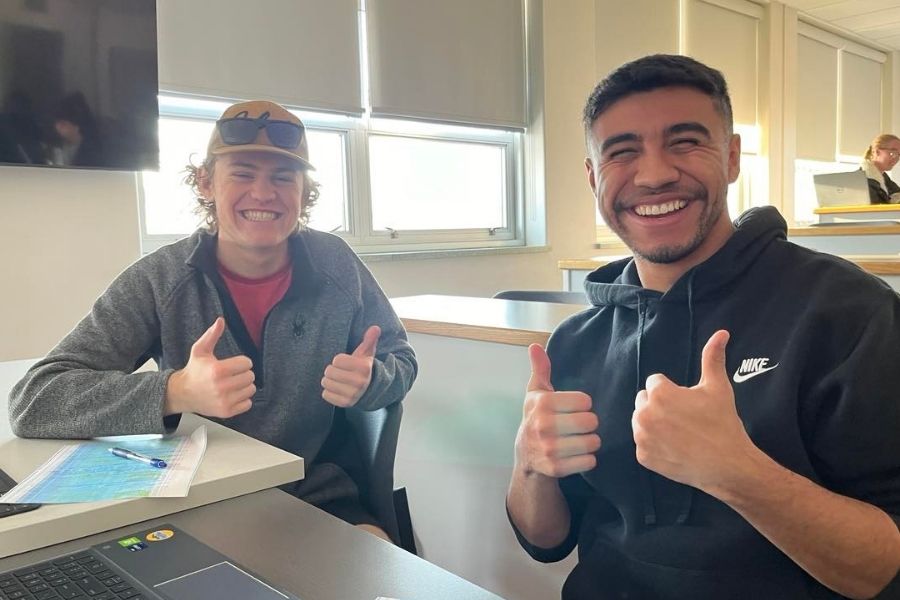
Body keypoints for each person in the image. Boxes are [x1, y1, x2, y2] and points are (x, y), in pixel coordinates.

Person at [506, 54, 900, 599]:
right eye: (622, 151)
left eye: (685, 141)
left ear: (733, 157)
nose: (655, 173)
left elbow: (886, 570)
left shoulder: (848, 312)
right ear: (593, 176)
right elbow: (545, 540)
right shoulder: (575, 342)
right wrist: (530, 463)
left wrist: (737, 473)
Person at [9, 99, 417, 541]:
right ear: (206, 182)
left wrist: (372, 380)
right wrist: (174, 391)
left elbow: (401, 360)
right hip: (195, 506)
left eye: (283, 176)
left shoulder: (336, 266)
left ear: (304, 190)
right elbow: (34, 400)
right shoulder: (160, 279)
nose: (264, 193)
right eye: (243, 173)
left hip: (318, 495)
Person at [862, 134, 900, 204]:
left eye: (899, 154)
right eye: (892, 153)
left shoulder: (886, 180)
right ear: (876, 152)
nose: (896, 158)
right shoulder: (862, 181)